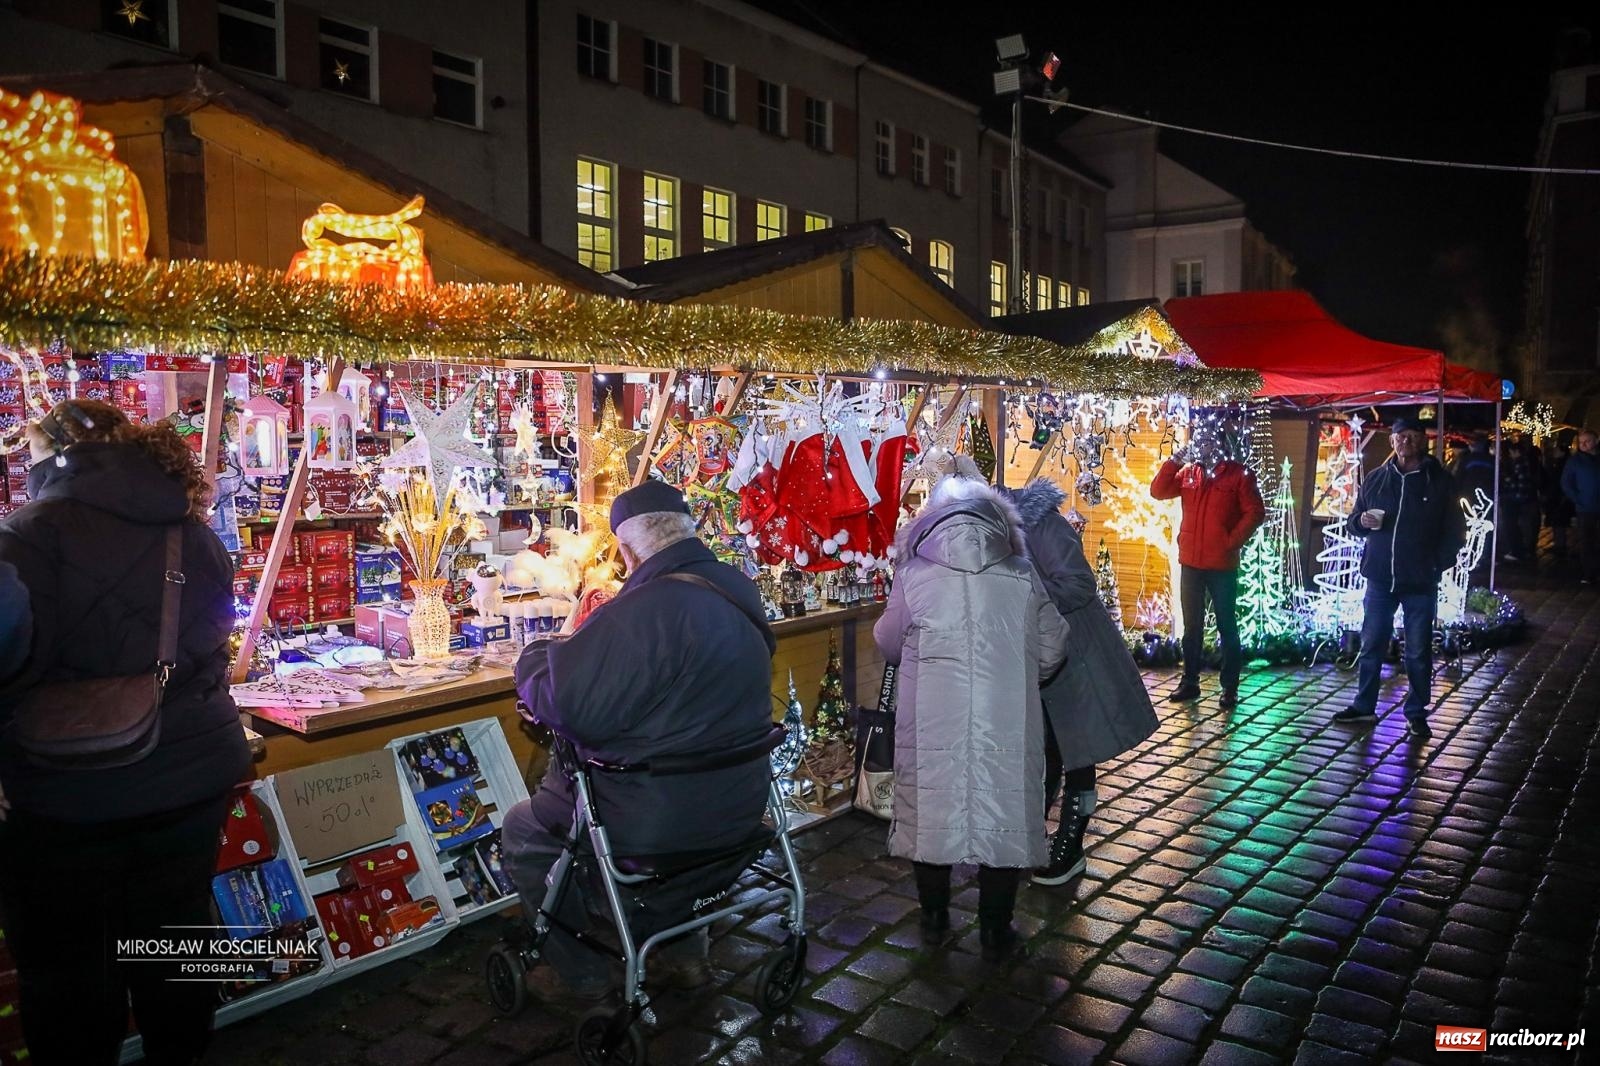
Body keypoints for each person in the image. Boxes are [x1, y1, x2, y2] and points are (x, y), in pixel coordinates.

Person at [0, 400, 250, 1066]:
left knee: (72, 967)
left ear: (46, 455)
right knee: (174, 933)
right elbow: (217, 630)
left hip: (68, 789)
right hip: (191, 774)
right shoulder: (190, 529)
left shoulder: (26, 535)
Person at [503, 480, 776, 1004]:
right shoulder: (736, 588)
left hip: (657, 821)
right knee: (675, 775)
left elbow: (575, 705)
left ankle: (577, 974)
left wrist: (536, 655)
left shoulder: (647, 608)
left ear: (627, 550)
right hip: (738, 804)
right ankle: (683, 954)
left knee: (525, 825)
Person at [874, 471, 1070, 962]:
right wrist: (1026, 675)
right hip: (1006, 712)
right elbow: (1054, 643)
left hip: (930, 715)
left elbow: (887, 640)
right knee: (1003, 813)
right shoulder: (1022, 574)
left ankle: (935, 918)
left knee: (930, 814)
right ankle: (995, 928)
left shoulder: (914, 574)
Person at [1007, 478, 1158, 886]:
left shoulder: (1039, 524)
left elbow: (1076, 584)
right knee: (1046, 753)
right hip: (1040, 660)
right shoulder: (994, 533)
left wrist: (1018, 597)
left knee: (1076, 753)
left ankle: (1069, 847)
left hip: (1077, 659)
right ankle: (1032, 840)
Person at [1332, 417, 1466, 740]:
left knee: (1418, 651)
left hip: (1420, 580)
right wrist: (1361, 522)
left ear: (1423, 440)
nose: (1405, 442)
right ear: (1392, 442)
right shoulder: (1377, 479)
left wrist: (1437, 564)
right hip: (1379, 578)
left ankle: (1416, 712)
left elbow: (1455, 532)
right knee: (1371, 643)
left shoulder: (1440, 483)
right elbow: (1353, 522)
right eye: (1399, 437)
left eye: (1412, 436)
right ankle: (1364, 706)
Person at [1149, 425, 1265, 708]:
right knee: (1192, 628)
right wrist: (1175, 461)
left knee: (1227, 626)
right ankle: (1190, 682)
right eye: (1197, 440)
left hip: (1221, 565)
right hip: (1191, 563)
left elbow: (1255, 512)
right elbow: (1158, 491)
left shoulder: (1238, 474)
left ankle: (1230, 688)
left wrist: (1231, 541)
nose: (1201, 446)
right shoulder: (1190, 473)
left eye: (1207, 440)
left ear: (1218, 443)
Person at [1562, 428, 1600, 585]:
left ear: (1596, 441)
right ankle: (1589, 573)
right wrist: (1578, 499)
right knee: (1586, 541)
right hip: (1585, 508)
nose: (1583, 444)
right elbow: (1566, 483)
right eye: (1581, 442)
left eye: (1587, 441)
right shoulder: (1575, 461)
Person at [1497, 435, 1542, 563]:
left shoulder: (1520, 463)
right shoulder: (1524, 462)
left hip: (1515, 498)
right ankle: (1521, 550)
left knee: (1512, 525)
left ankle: (1517, 551)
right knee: (1517, 525)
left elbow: (1520, 482)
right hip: (1518, 498)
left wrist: (1506, 478)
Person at [1543, 436, 1574, 559]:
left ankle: (1560, 546)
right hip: (1556, 497)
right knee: (1557, 522)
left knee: (1559, 522)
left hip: (1560, 498)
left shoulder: (1563, 465)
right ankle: (1558, 544)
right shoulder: (1558, 463)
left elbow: (1560, 481)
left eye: (1556, 450)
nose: (1554, 452)